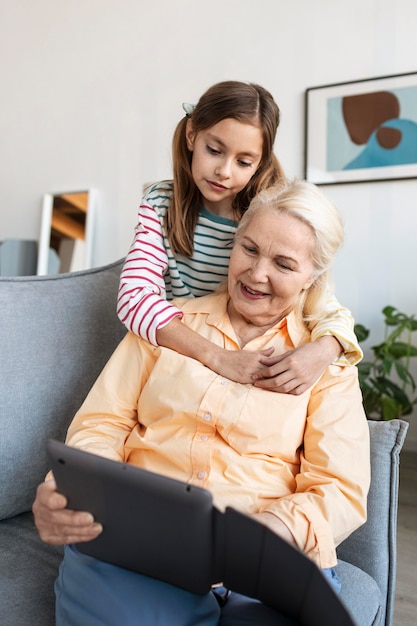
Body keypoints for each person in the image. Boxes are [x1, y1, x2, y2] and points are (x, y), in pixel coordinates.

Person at [33, 179, 370, 626]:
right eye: (249, 249)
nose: (256, 273)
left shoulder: (324, 361)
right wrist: (81, 491)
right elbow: (101, 425)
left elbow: (340, 488)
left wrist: (265, 536)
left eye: (283, 264)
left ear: (313, 276)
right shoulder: (167, 326)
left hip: (269, 562)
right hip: (142, 547)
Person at [117, 80, 362, 396]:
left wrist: (324, 350)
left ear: (259, 162)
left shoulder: (268, 215)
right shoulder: (160, 204)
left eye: (244, 162)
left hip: (256, 353)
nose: (224, 171)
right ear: (192, 134)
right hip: (184, 351)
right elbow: (134, 297)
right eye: (214, 150)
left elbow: (326, 306)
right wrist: (217, 357)